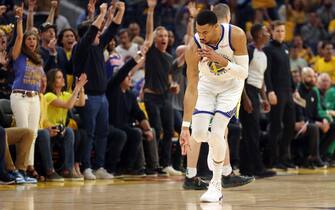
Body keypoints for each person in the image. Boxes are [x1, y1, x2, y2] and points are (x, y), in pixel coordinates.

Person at [180, 9, 249, 203]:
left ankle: (216, 184)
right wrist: (185, 127)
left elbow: (243, 73)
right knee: (199, 134)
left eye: (205, 33)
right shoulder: (193, 46)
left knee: (218, 132)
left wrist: (220, 60)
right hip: (207, 86)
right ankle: (215, 148)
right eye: (198, 32)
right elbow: (191, 87)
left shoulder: (236, 35)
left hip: (231, 87)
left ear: (216, 27)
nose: (201, 36)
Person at [72, 2, 125, 180]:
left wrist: (121, 11)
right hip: (88, 97)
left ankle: (99, 166)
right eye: (96, 32)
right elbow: (93, 31)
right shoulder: (80, 48)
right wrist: (101, 13)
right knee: (89, 133)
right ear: (88, 34)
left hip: (102, 97)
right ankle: (86, 166)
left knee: (102, 133)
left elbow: (113, 30)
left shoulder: (98, 46)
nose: (100, 34)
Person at [142, 0, 182, 176]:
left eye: (166, 35)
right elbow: (148, 33)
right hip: (151, 97)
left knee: (168, 131)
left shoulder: (168, 57)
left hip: (166, 97)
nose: (164, 38)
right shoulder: (150, 51)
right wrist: (150, 11)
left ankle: (166, 164)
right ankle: (153, 164)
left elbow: (170, 79)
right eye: (160, 35)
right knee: (156, 130)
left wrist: (173, 86)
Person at [239, 23, 276, 178]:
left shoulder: (263, 54)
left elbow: (260, 79)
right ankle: (256, 168)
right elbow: (240, 76)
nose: (269, 34)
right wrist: (245, 99)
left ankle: (247, 168)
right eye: (266, 31)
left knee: (253, 132)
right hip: (246, 92)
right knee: (251, 132)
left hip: (255, 93)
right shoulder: (249, 50)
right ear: (259, 35)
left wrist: (264, 97)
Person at [263, 20, 297, 169]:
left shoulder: (285, 47)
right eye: (278, 31)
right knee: (275, 127)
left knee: (290, 125)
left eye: (283, 31)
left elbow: (288, 71)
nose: (281, 33)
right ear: (272, 32)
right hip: (276, 92)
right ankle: (273, 159)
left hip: (288, 92)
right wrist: (269, 91)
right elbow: (267, 72)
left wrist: (294, 89)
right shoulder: (268, 49)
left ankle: (284, 157)